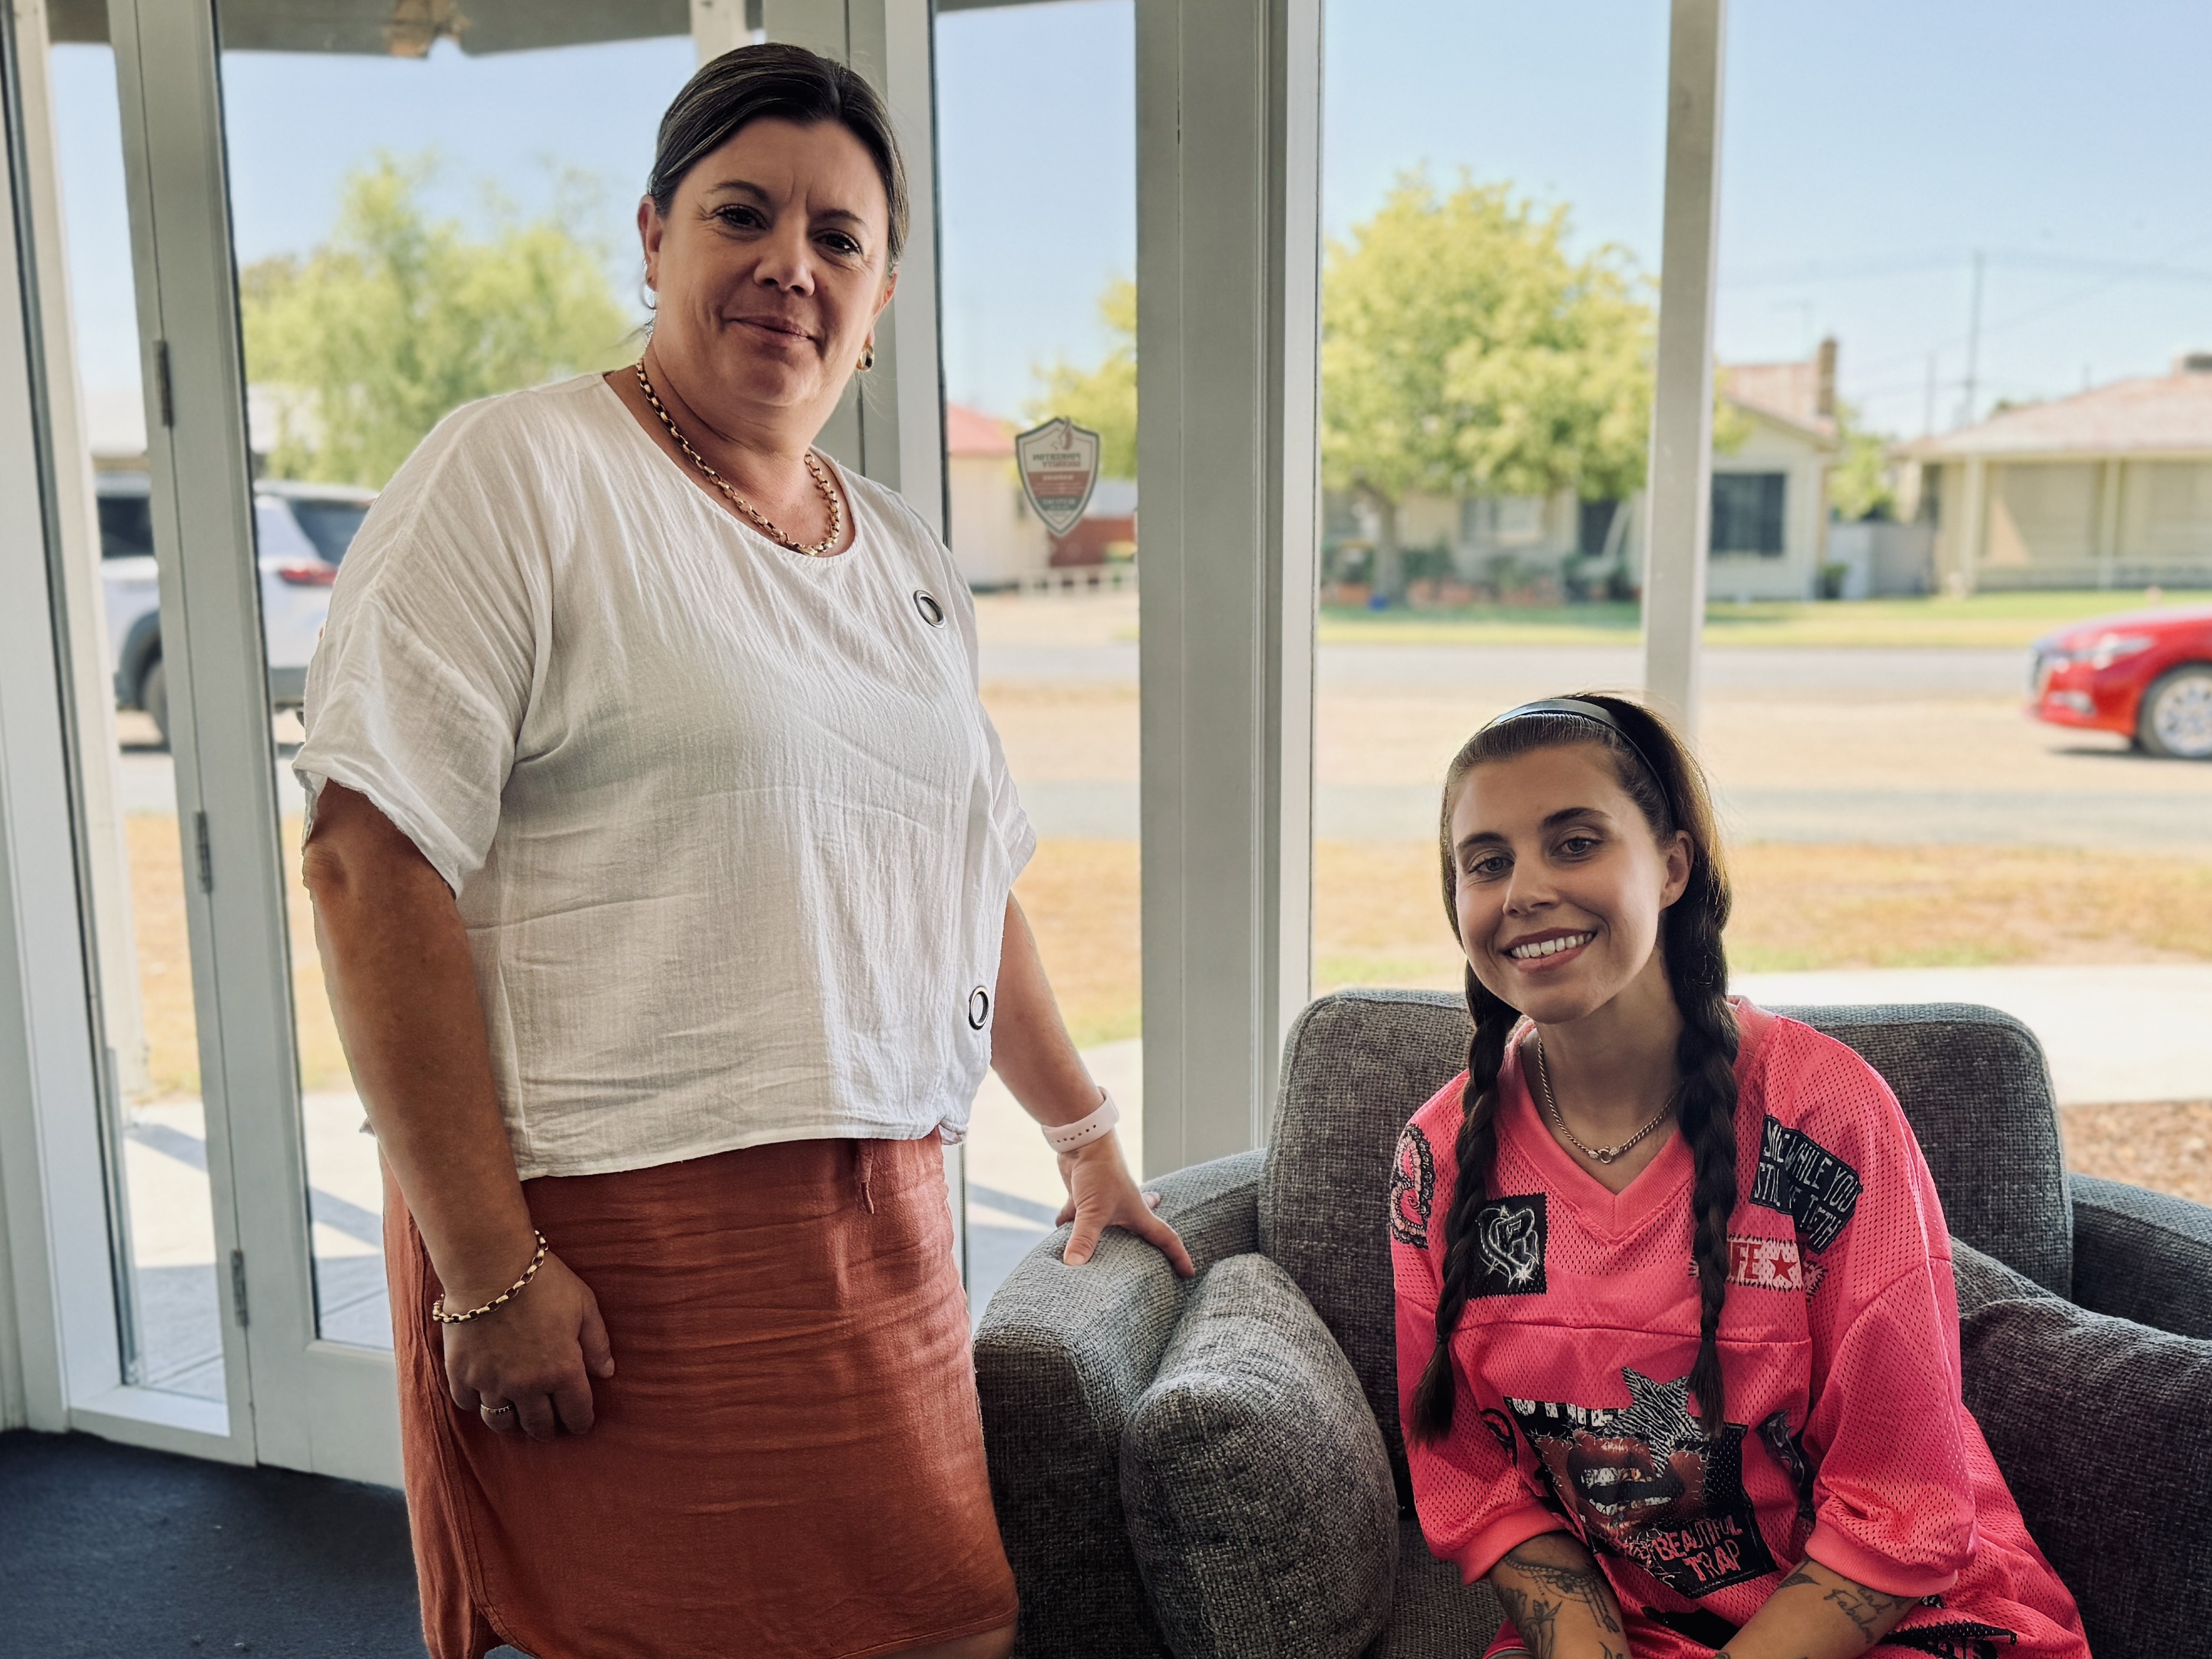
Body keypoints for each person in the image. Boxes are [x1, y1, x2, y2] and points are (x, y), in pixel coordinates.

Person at [296, 43, 1189, 1659]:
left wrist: (1085, 1138)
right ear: (653, 237)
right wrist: (491, 1270)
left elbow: (965, 881)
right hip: (609, 1250)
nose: (791, 265)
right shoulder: (520, 473)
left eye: (837, 237)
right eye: (741, 214)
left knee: (949, 1627)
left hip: (880, 1228)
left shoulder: (908, 555)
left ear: (883, 290)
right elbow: (367, 865)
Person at [1388, 695, 2087, 1659]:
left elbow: (1902, 1503)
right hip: (1643, 1632)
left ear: (1671, 865)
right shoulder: (1438, 1159)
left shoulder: (1828, 1117)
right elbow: (1476, 1479)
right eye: (1487, 861)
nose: (1525, 891)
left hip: (1906, 1622)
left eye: (1576, 842)